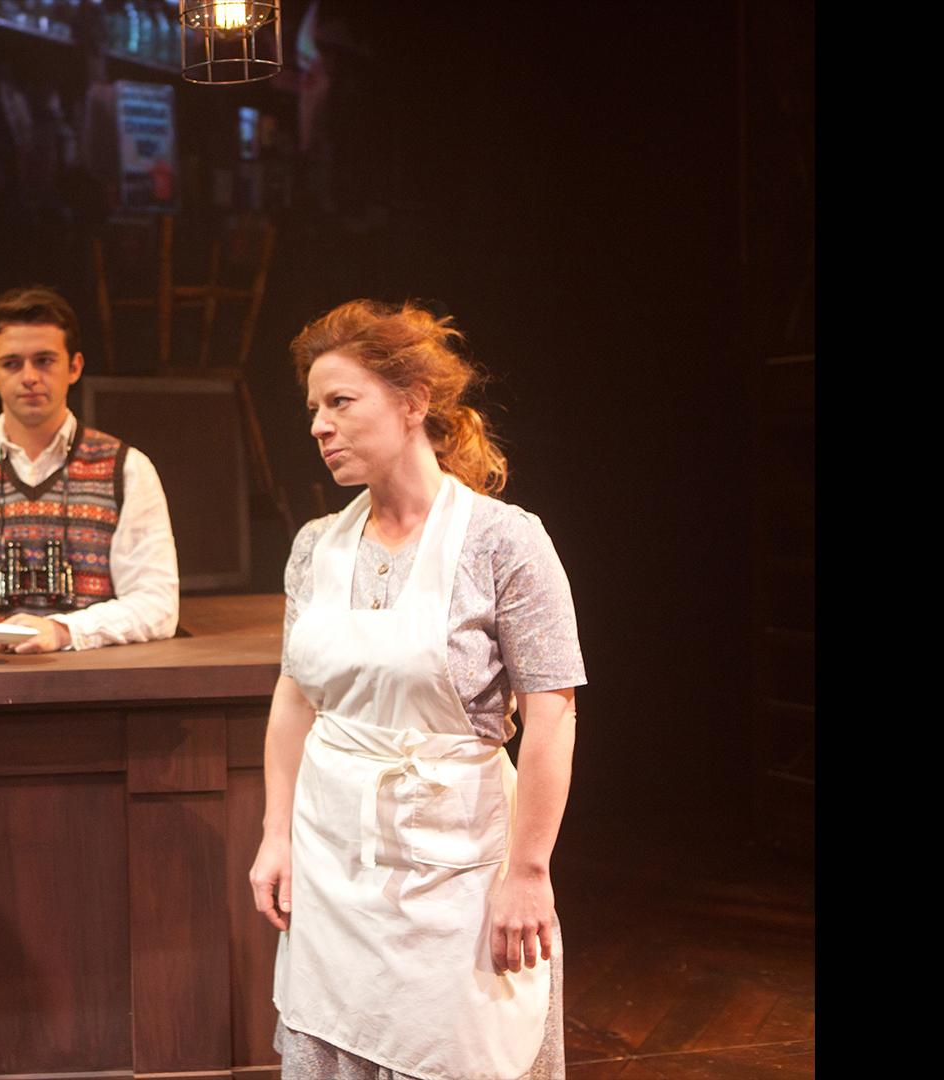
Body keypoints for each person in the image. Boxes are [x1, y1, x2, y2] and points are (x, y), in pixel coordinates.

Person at [249, 300, 584, 1080]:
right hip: (335, 868)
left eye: (340, 402)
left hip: (456, 876)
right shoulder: (315, 548)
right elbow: (295, 698)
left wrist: (528, 873)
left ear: (412, 401)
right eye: (313, 409)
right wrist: (275, 834)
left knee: (461, 1051)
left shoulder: (504, 541)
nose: (319, 426)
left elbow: (553, 713)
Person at [0, 285, 179, 658]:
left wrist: (62, 630)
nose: (29, 377)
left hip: (95, 683)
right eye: (12, 363)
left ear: (74, 366)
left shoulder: (127, 469)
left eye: (44, 360)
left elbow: (158, 605)